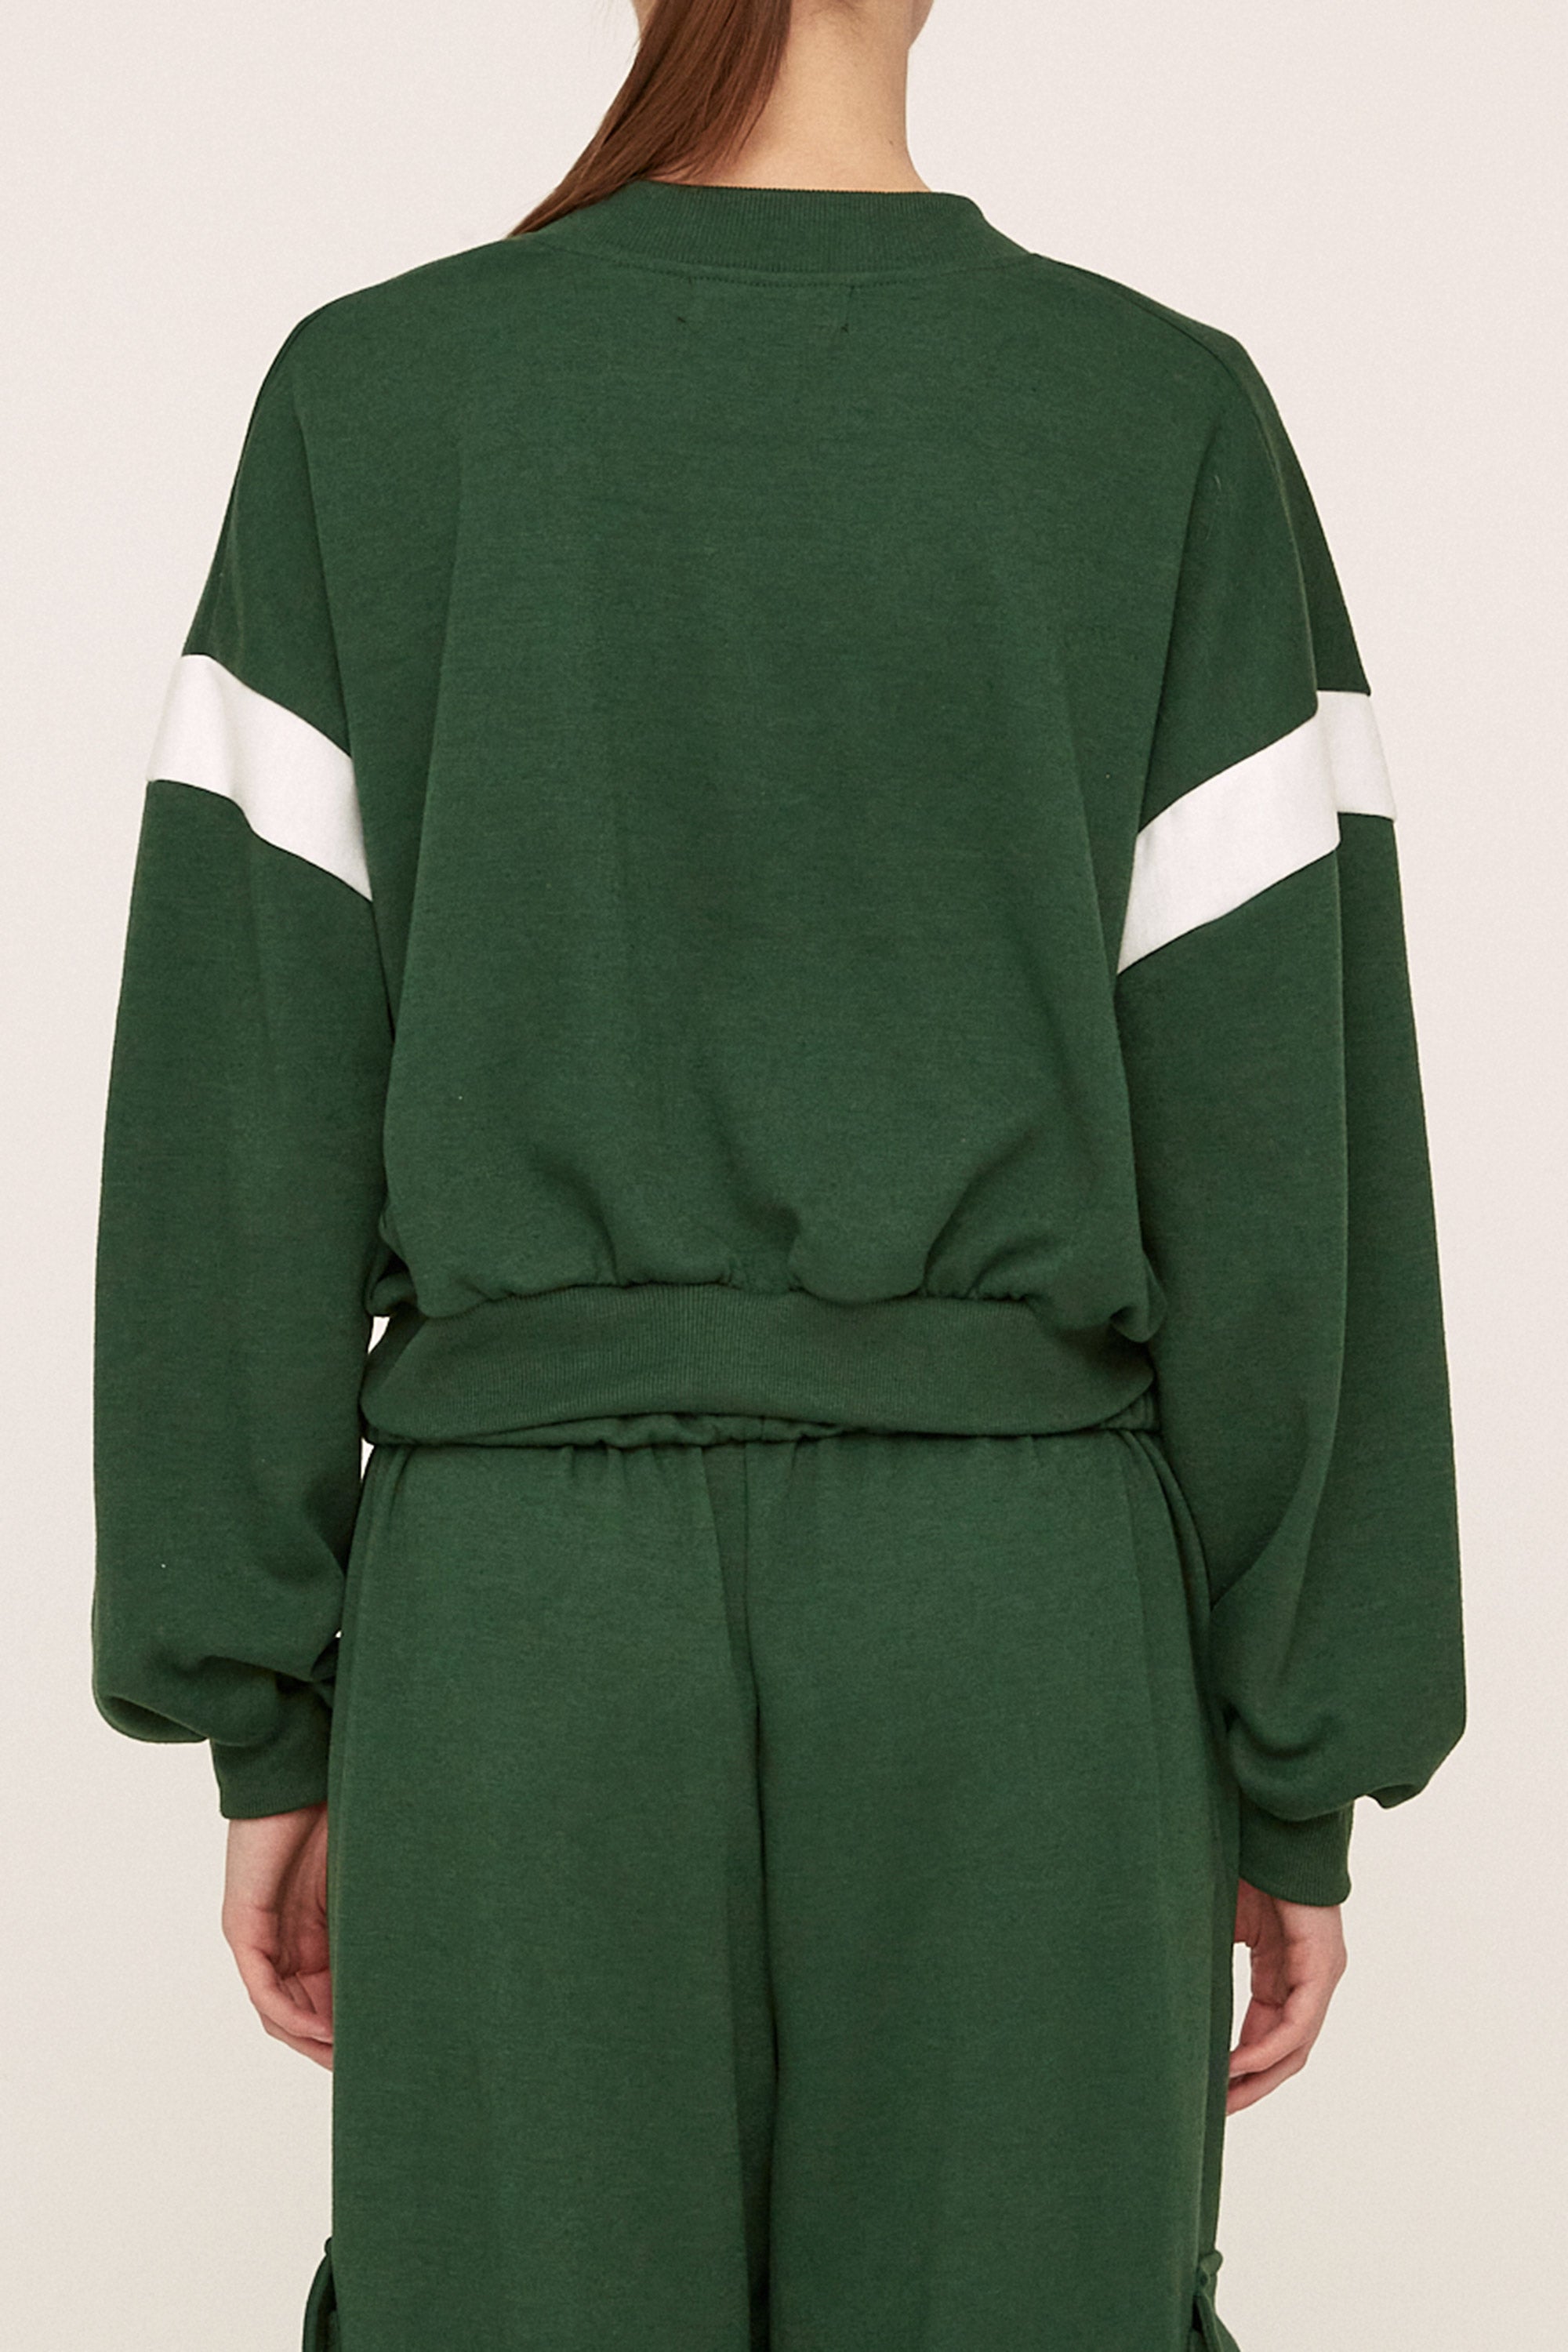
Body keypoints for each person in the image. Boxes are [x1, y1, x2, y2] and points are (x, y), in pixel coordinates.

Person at [89, 2, 1466, 2345]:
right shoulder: (1156, 417)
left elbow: (243, 1103)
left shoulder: (375, 400)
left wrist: (265, 1706)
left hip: (523, 1634)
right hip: (1016, 1630)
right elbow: (1283, 1144)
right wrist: (1296, 1760)